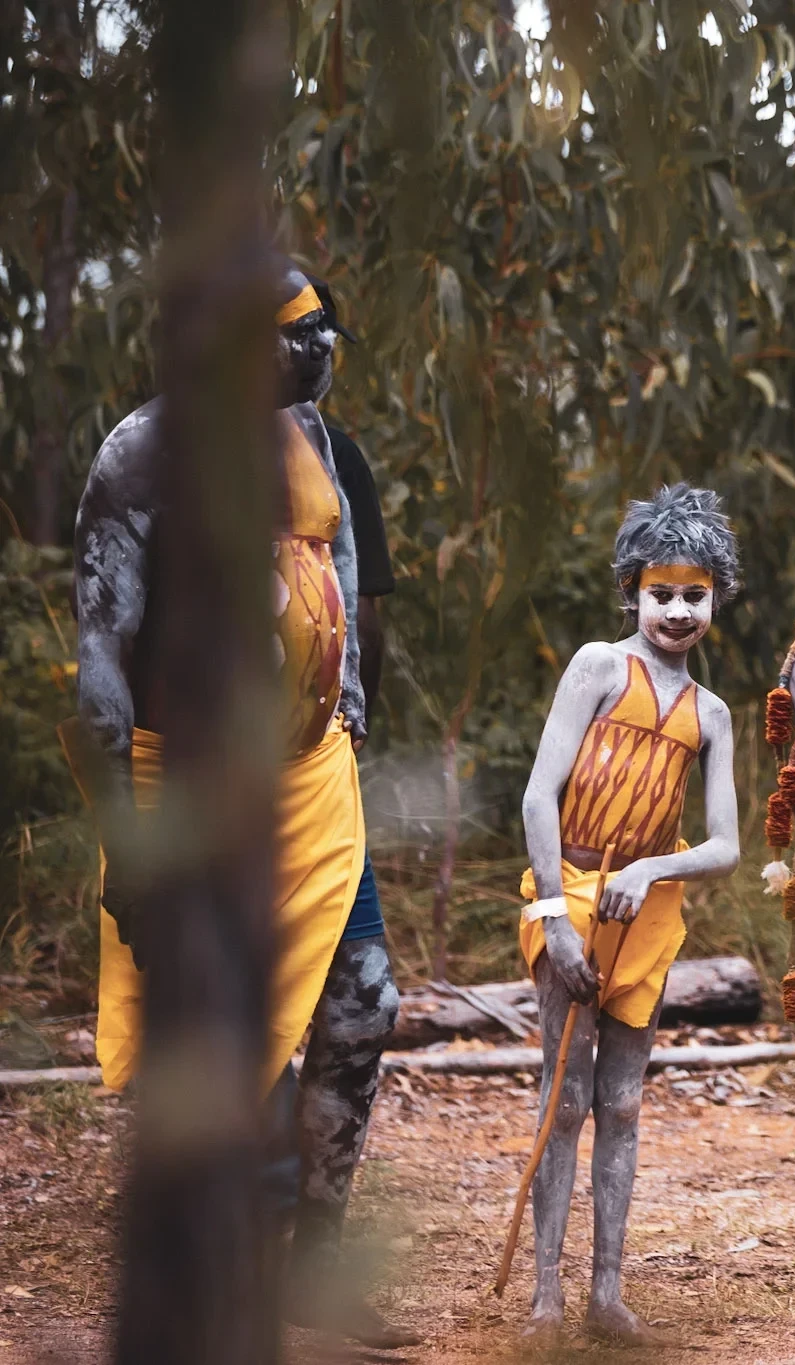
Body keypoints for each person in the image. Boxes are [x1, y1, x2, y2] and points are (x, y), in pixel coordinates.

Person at [70, 260, 419, 1347]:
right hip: (189, 782)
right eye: (298, 333)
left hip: (313, 779)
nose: (321, 351)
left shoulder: (310, 432)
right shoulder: (144, 456)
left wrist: (348, 684)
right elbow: (98, 646)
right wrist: (129, 844)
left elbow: (339, 552)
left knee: (362, 1008)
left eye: (324, 328)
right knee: (231, 1040)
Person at [515, 484, 742, 1343]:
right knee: (563, 1098)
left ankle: (607, 1295)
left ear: (716, 595)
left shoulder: (712, 715)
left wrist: (652, 865)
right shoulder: (598, 667)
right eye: (661, 594)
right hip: (569, 893)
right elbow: (540, 797)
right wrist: (556, 919)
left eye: (694, 595)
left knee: (622, 1101)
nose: (678, 611)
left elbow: (723, 844)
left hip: (647, 913)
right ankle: (545, 1296)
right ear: (632, 592)